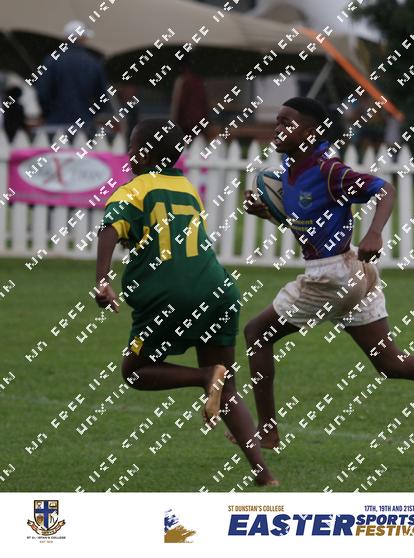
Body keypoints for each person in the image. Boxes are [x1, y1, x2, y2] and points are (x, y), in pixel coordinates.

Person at [235, 97, 414, 449]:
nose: (277, 128)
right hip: (355, 272)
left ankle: (267, 431)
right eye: (277, 120)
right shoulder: (291, 170)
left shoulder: (327, 170)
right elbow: (310, 226)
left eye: (286, 122)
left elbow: (384, 189)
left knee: (257, 333)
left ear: (311, 132)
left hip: (332, 277)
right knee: (390, 362)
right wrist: (266, 213)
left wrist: (375, 233)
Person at [94, 118, 277, 487]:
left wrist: (102, 280)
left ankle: (204, 377)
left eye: (133, 147)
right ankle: (264, 475)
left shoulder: (135, 188)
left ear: (145, 155)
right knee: (228, 388)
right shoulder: (187, 188)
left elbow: (110, 228)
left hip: (169, 293)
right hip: (218, 290)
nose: (128, 153)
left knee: (135, 371)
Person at [34, 20, 109, 137]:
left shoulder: (51, 61)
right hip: (84, 126)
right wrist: (90, 115)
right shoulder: (93, 63)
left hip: (55, 125)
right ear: (83, 38)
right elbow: (102, 98)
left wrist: (48, 113)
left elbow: (43, 93)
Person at [170, 55, 209, 137]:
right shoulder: (198, 81)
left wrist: (174, 125)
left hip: (186, 125)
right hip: (199, 122)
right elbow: (204, 103)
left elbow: (179, 105)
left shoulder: (182, 81)